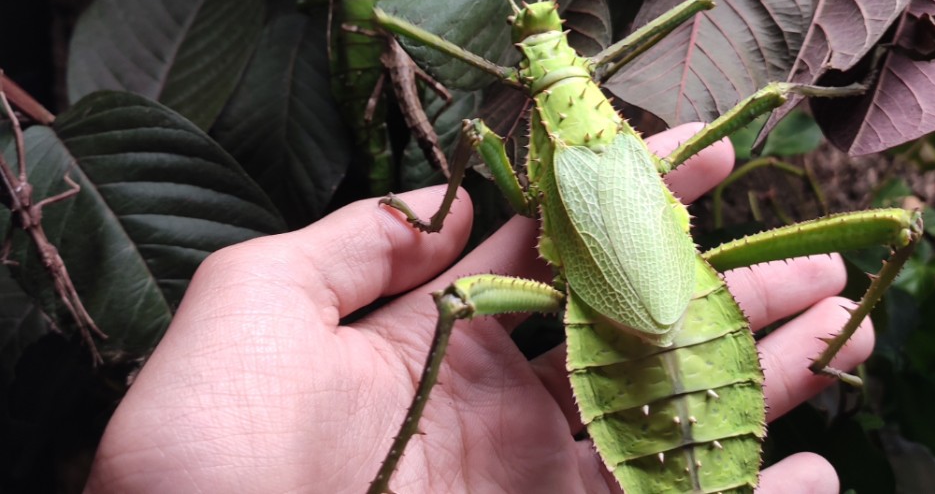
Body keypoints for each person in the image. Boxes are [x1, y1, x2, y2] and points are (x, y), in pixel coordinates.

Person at [84, 124, 872, 493]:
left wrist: (438, 214)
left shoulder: (555, 160)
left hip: (647, 303)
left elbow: (522, 193)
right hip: (684, 311)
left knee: (460, 300)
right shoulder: (629, 150)